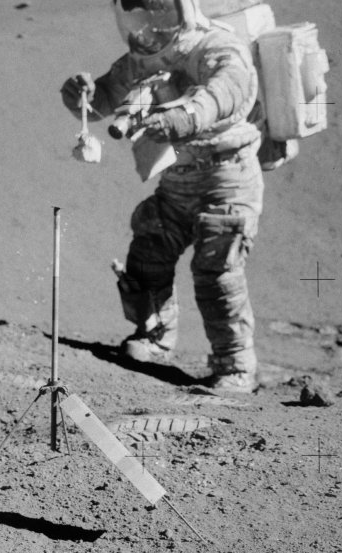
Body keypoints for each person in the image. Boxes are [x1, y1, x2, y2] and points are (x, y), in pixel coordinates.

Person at [62, 0, 265, 392]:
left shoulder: (216, 48)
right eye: (137, 18)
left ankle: (235, 366)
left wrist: (185, 116)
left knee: (217, 270)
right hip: (177, 180)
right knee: (148, 251)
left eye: (157, 15)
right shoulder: (141, 60)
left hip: (227, 179)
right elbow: (103, 100)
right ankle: (155, 336)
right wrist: (81, 94)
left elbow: (225, 92)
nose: (148, 27)